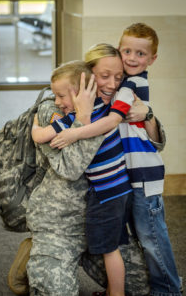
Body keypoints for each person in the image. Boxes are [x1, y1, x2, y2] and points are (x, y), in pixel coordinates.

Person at [49, 24, 181, 296]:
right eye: (127, 52)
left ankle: (168, 291)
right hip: (118, 182)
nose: (112, 82)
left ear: (151, 59)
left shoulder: (129, 88)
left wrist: (148, 115)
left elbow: (152, 139)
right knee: (124, 240)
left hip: (141, 176)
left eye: (117, 76)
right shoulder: (86, 95)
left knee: (150, 238)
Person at [32, 58, 132, 296]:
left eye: (117, 77)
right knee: (60, 289)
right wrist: (38, 119)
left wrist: (77, 122)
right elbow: (69, 168)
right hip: (60, 223)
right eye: (104, 76)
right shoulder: (57, 110)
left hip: (105, 199)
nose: (57, 101)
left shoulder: (104, 112)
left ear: (80, 92)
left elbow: (42, 136)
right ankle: (39, 253)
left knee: (134, 279)